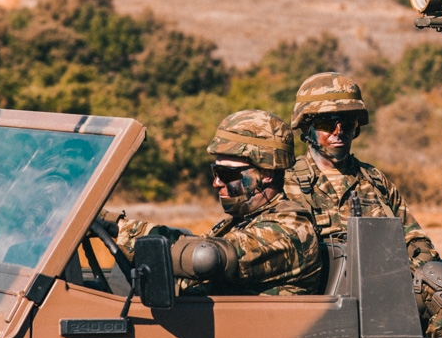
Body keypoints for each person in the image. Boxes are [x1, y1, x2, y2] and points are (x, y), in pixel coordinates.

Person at [284, 71, 442, 337]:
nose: (339, 131)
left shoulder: (374, 180)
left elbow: (415, 241)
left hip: (384, 292)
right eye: (328, 123)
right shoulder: (287, 183)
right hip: (320, 298)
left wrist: (412, 275)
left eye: (347, 123)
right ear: (307, 128)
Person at [107, 109, 322, 296]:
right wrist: (109, 224)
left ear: (266, 174)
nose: (216, 183)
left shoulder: (290, 230)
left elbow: (205, 257)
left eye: (226, 174)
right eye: (215, 172)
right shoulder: (243, 221)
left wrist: (123, 228)